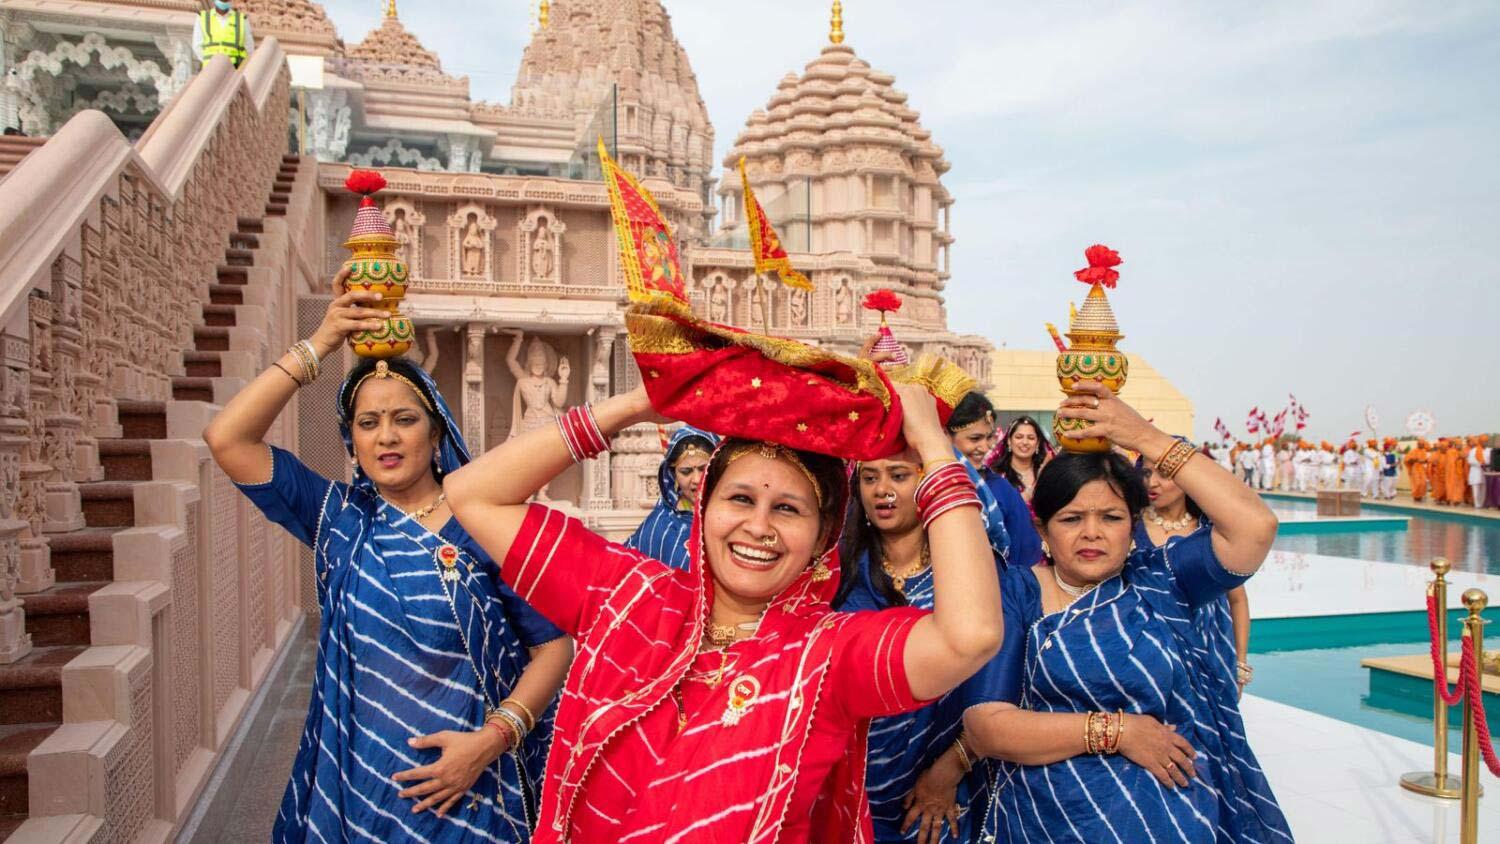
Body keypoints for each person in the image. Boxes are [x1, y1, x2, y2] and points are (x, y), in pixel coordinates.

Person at [442, 368, 1004, 841]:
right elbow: (473, 494)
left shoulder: (828, 654)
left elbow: (970, 635)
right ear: (703, 508)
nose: (758, 527)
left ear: (823, 536)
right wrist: (638, 405)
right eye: (740, 498)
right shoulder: (632, 595)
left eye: (788, 509)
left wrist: (934, 451)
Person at [201, 272, 573, 841]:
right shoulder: (337, 517)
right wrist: (321, 343)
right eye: (368, 424)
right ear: (351, 442)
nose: (387, 437)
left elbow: (552, 645)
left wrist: (489, 741)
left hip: (473, 792)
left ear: (436, 434)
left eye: (405, 419)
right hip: (359, 787)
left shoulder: (483, 523)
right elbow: (228, 439)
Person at [961, 380, 1290, 842]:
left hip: (1170, 818)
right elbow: (987, 725)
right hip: (1050, 819)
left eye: (1111, 518)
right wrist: (1119, 732)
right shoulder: (1016, 591)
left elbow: (1255, 527)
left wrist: (1147, 439)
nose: (1091, 533)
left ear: (1133, 525)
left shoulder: (1161, 578)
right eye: (1072, 519)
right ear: (1042, 528)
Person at [834, 449, 999, 842]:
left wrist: (951, 767)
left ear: (929, 483)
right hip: (847, 782)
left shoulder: (967, 576)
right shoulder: (838, 572)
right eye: (870, 478)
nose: (882, 490)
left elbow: (994, 689)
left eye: (898, 476)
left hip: (939, 781)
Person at [1140, 440, 1253, 699]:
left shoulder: (1210, 532)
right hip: (1147, 659)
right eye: (1146, 473)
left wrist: (1240, 665)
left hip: (1210, 654)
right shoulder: (1128, 526)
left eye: (1164, 474)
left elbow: (1236, 598)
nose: (1152, 482)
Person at [948, 393, 1038, 567]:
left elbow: (1025, 554)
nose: (985, 447)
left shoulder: (1001, 489)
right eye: (975, 438)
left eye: (988, 437)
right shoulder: (927, 487)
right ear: (946, 436)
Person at [624, 425, 718, 570]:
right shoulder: (660, 525)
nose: (696, 479)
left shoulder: (733, 515)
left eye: (703, 469)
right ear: (672, 475)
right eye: (686, 472)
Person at [987, 415, 1052, 505]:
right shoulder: (995, 474)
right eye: (1019, 437)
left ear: (1037, 443)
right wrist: (1029, 493)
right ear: (1009, 441)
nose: (1025, 442)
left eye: (1031, 438)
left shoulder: (1047, 472)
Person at [193, 0, 254, 68]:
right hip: (210, 68)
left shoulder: (242, 19)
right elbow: (197, 46)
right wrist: (211, 64)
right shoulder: (202, 17)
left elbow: (249, 48)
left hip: (234, 69)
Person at [1469, 435, 1490, 508]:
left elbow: (1491, 460)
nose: (1485, 443)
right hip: (1476, 472)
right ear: (1480, 442)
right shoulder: (1473, 450)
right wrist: (1480, 463)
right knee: (1476, 490)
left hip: (1486, 472)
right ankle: (1477, 505)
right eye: (1484, 441)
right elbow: (1470, 461)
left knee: (1484, 490)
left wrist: (1487, 464)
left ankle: (1482, 504)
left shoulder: (1489, 450)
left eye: (1486, 441)